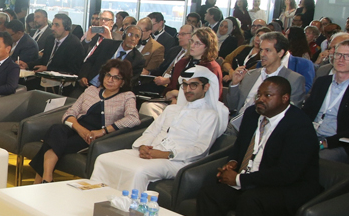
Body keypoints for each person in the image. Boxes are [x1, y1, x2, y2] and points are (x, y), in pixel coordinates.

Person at [197, 76, 321, 216]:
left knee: (250, 200)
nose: (260, 100)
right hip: (253, 181)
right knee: (210, 192)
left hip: (288, 188)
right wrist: (233, 161)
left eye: (268, 96)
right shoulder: (252, 114)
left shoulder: (299, 126)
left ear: (285, 99)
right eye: (259, 95)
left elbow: (287, 173)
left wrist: (239, 179)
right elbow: (240, 145)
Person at [91, 66, 228, 193]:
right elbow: (151, 132)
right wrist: (143, 146)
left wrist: (165, 154)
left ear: (206, 87)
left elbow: (200, 150)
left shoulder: (210, 115)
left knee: (138, 171)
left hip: (177, 161)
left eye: (193, 85)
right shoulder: (172, 109)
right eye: (185, 85)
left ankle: (128, 210)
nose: (187, 90)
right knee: (104, 159)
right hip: (152, 151)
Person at [30, 59, 140, 184]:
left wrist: (103, 131)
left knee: (51, 142)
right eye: (108, 75)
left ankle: (40, 181)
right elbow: (69, 114)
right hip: (77, 129)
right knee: (56, 129)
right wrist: (80, 129)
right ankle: (47, 178)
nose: (110, 80)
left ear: (123, 82)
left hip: (93, 137)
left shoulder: (127, 96)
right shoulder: (91, 91)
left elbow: (133, 119)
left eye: (116, 77)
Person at [302, 38, 349, 162]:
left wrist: (325, 143)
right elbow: (307, 112)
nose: (341, 59)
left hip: (338, 143)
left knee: (313, 160)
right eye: (338, 54)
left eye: (348, 56)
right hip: (310, 136)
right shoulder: (322, 82)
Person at [226, 32, 306, 131]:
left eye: (267, 50)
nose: (262, 54)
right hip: (237, 125)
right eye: (261, 50)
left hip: (268, 129)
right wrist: (235, 84)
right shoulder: (251, 75)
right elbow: (232, 106)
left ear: (280, 53)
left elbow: (290, 115)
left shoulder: (293, 79)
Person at [165, 28, 224, 102]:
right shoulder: (181, 63)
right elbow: (170, 89)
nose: (192, 46)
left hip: (200, 109)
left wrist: (178, 94)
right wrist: (172, 98)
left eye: (197, 43)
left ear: (207, 47)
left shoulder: (212, 68)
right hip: (174, 104)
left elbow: (211, 98)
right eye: (192, 41)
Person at [77, 12, 118, 88]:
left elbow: (113, 60)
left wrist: (109, 40)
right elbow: (79, 54)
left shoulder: (116, 38)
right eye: (101, 19)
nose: (103, 22)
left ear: (112, 23)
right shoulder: (93, 35)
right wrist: (88, 40)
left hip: (99, 76)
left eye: (106, 20)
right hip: (81, 70)